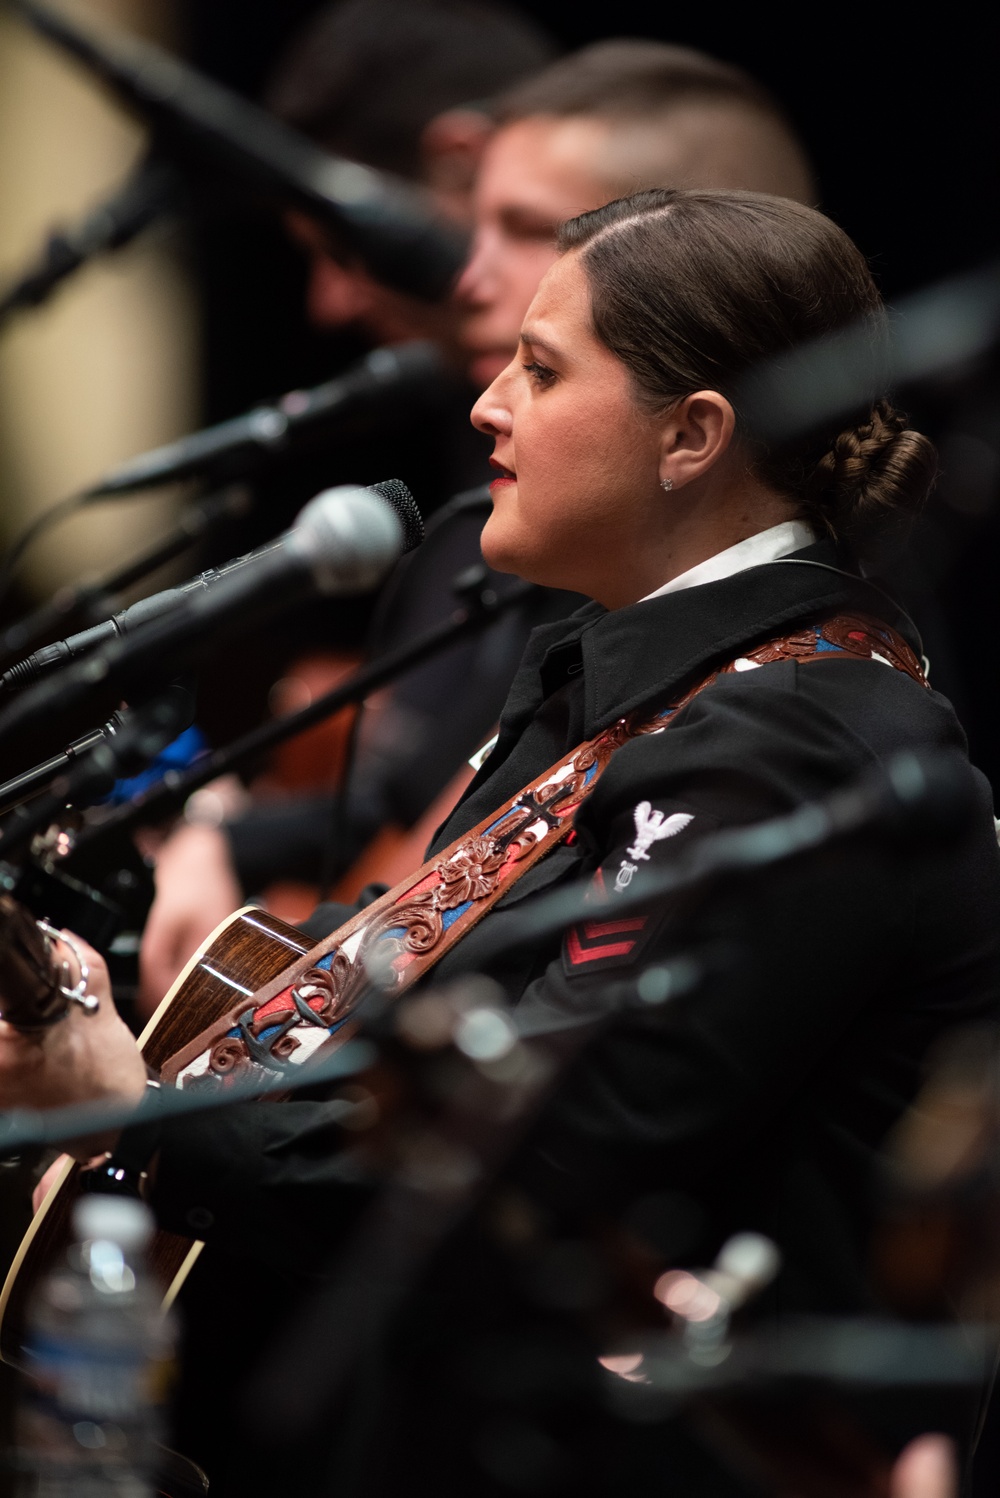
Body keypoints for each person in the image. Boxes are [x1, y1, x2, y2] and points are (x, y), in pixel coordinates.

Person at [6, 189, 1000, 1494]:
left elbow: (532, 1152)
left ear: (692, 434)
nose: (487, 406)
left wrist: (133, 1110)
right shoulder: (636, 672)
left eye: (541, 369)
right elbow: (419, 1021)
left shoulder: (795, 738)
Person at [141, 39, 819, 1007]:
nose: (467, 278)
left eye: (531, 228)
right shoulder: (557, 550)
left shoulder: (796, 687)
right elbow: (413, 869)